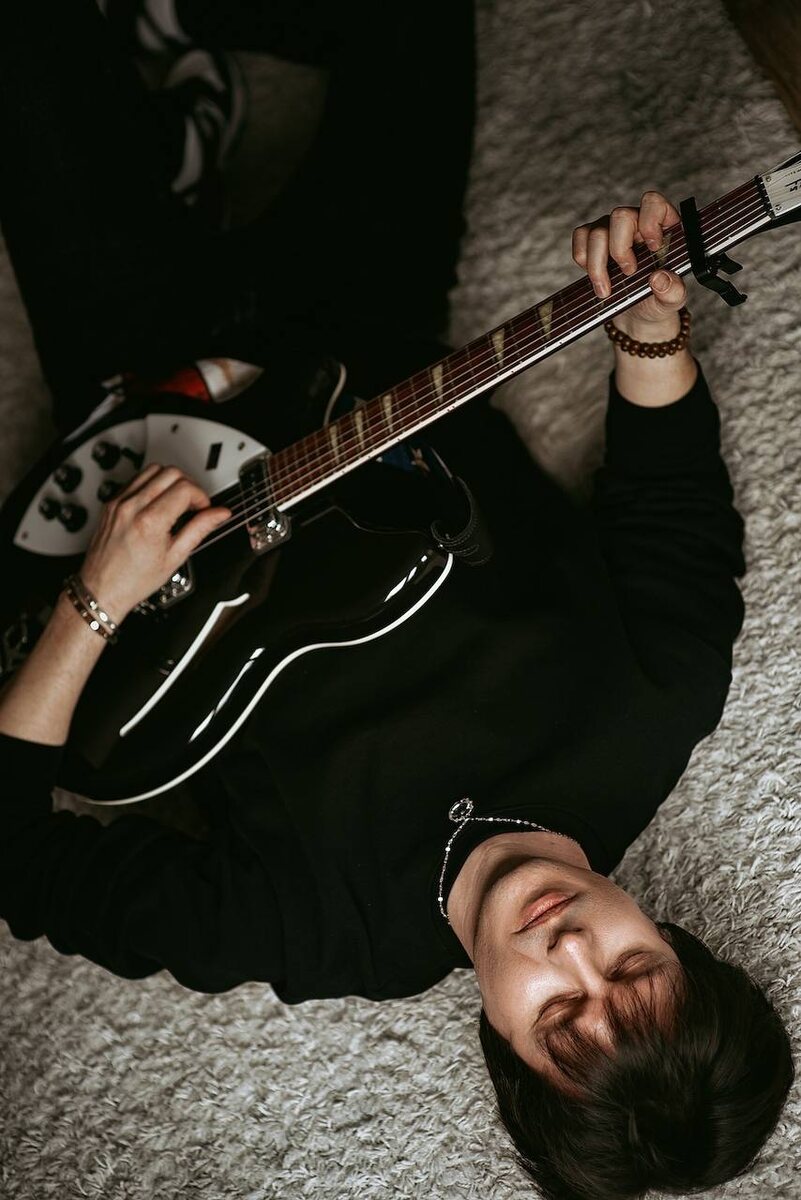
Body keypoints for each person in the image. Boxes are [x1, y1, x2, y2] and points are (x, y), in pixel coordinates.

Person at [0, 3, 793, 1199]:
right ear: (671, 940)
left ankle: (174, 126)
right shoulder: (657, 703)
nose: (571, 944)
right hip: (365, 331)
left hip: (143, 397)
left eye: (559, 1014)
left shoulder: (318, 930)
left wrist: (91, 604)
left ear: (505, 1051)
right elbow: (670, 512)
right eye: (632, 969)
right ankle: (189, 85)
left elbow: (18, 859)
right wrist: (648, 329)